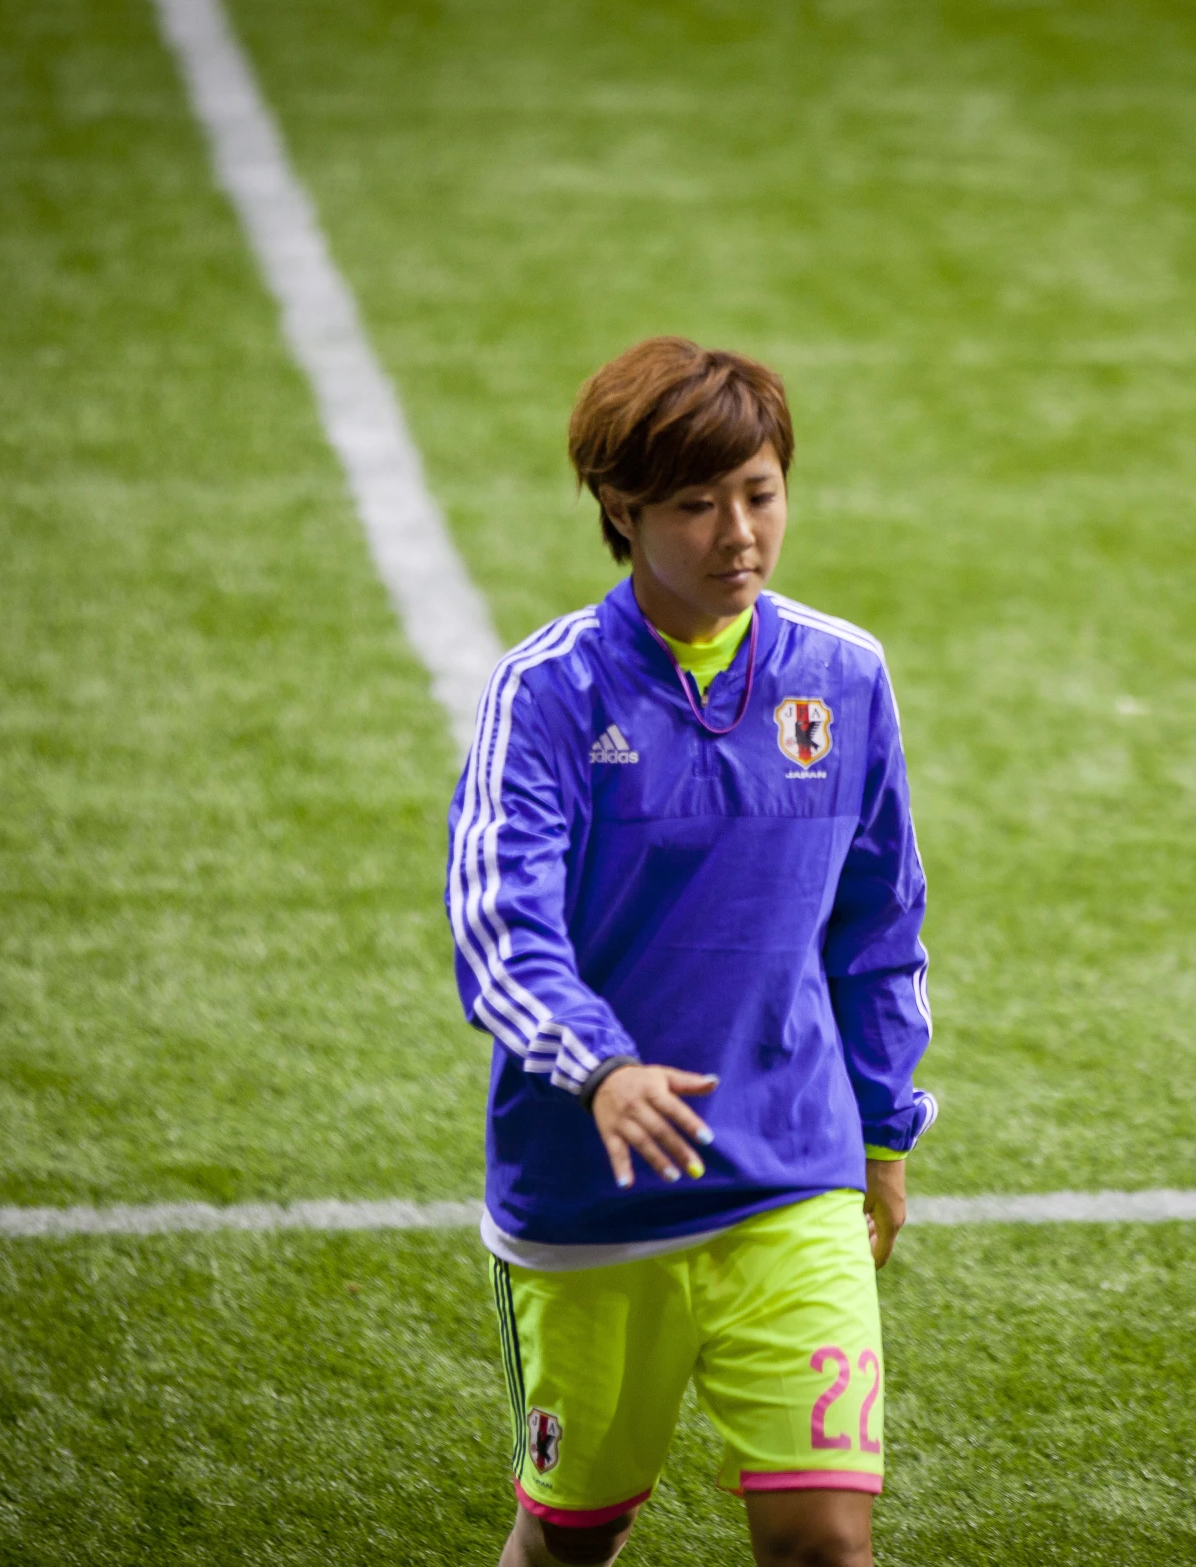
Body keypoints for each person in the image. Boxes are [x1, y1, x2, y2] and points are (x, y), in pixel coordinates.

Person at [446, 336, 937, 1567]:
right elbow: (501, 929)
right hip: (593, 1195)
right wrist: (604, 1067)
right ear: (621, 509)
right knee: (572, 1539)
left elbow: (878, 929)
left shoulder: (844, 674)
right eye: (694, 504)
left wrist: (881, 1131)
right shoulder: (547, 694)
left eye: (760, 494)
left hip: (791, 1170)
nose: (739, 535)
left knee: (826, 1537)